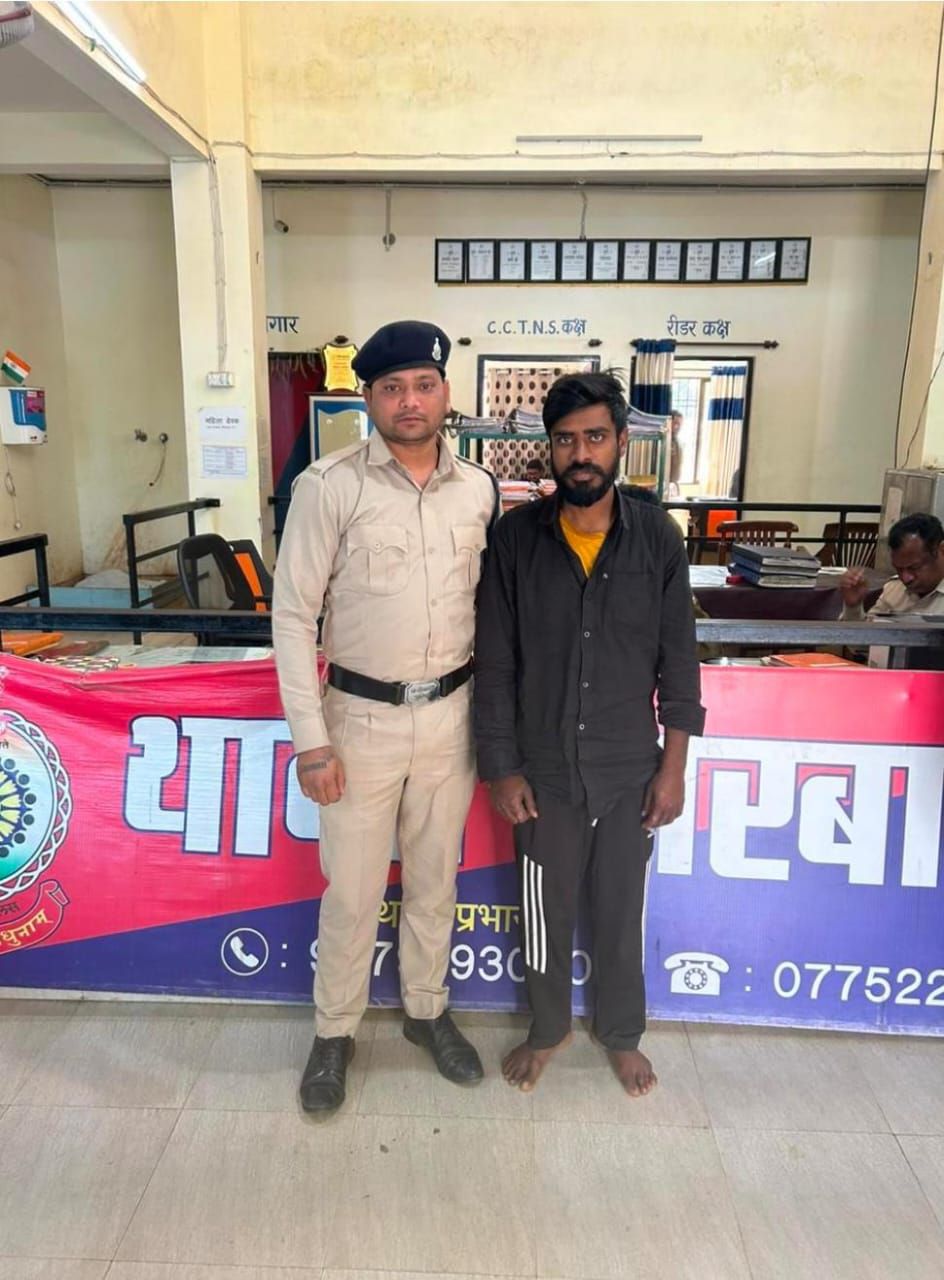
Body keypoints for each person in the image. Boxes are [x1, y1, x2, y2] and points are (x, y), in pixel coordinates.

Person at [273, 320, 498, 1113]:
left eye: (423, 385)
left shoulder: (479, 490)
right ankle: (334, 1031)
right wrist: (312, 743)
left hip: (452, 719)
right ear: (367, 398)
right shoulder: (328, 486)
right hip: (359, 723)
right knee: (353, 891)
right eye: (392, 387)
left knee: (436, 881)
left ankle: (426, 1012)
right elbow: (292, 618)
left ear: (445, 393)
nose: (410, 401)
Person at [473, 371, 705, 1096]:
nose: (580, 453)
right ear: (549, 448)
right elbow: (496, 660)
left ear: (621, 442)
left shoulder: (657, 538)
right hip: (542, 769)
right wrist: (501, 767)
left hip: (629, 767)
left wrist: (673, 768)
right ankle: (548, 1029)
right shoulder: (515, 539)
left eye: (595, 437)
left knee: (619, 909)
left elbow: (679, 661)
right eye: (566, 439)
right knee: (544, 912)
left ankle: (622, 1033)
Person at [840, 512, 944, 619]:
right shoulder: (894, 590)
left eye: (914, 568)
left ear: (942, 550)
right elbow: (869, 628)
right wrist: (853, 608)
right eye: (898, 569)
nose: (906, 578)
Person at [668, 410, 683, 496]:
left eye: (680, 424)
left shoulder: (678, 442)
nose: (677, 427)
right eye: (675, 423)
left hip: (674, 483)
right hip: (665, 483)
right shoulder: (664, 442)